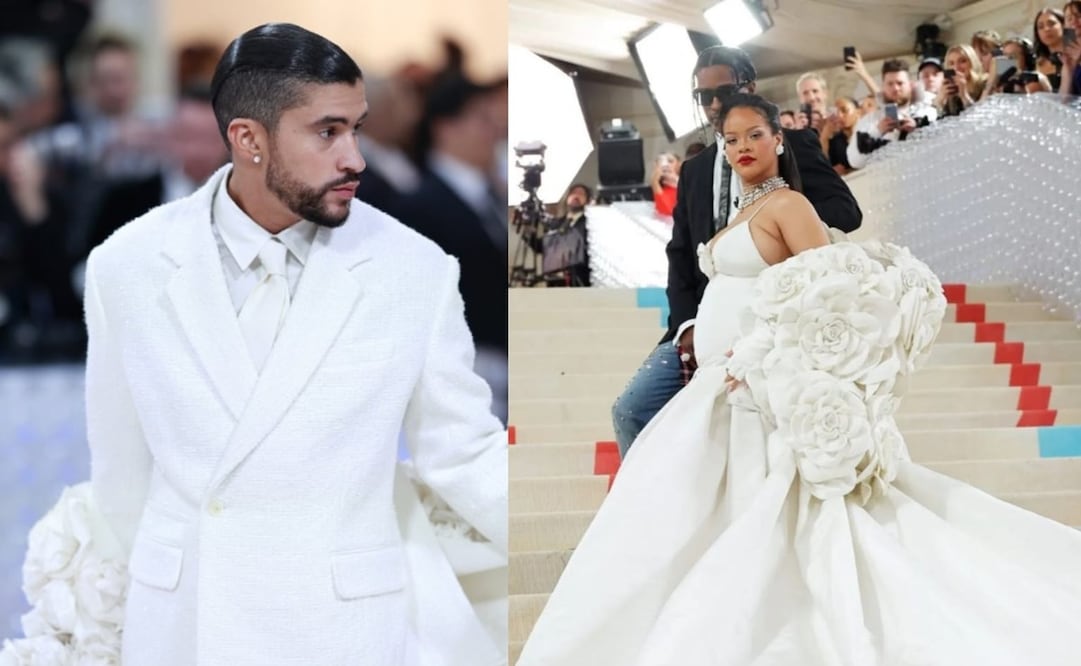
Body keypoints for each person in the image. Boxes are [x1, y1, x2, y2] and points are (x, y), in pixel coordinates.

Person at [516, 93, 1081, 666]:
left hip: (757, 381)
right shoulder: (744, 207)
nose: (741, 148)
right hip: (722, 379)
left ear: (778, 138)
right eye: (731, 139)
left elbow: (829, 293)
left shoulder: (788, 204)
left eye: (753, 135)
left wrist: (760, 350)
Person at [79, 23, 506, 665]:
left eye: (357, 128)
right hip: (184, 624)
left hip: (343, 626)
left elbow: (462, 451)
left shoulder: (414, 269)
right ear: (248, 139)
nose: (355, 157)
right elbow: (120, 473)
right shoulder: (126, 266)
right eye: (328, 131)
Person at [609, 45, 862, 457]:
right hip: (701, 328)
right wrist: (686, 325)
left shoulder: (792, 146)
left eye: (722, 90)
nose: (712, 103)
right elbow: (680, 256)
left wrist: (777, 219)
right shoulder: (695, 168)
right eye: (701, 96)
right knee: (632, 410)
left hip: (770, 329)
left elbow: (845, 212)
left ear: (749, 86)